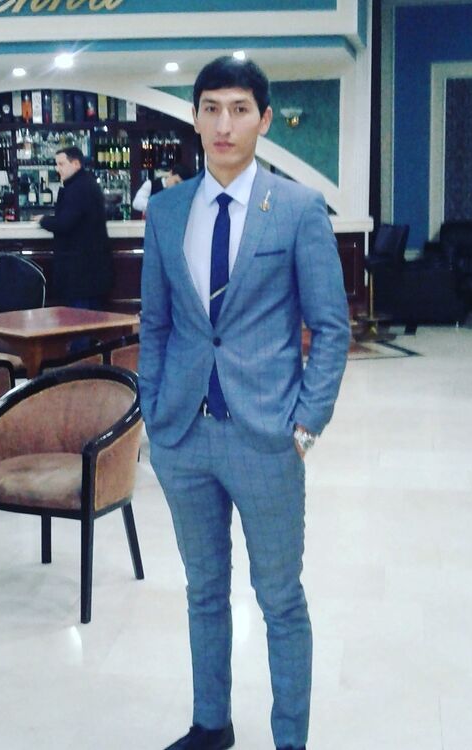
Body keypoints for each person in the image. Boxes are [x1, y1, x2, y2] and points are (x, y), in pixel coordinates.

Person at [138, 56, 350, 750]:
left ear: (264, 119)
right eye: (210, 108)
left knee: (280, 598)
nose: (223, 124)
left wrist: (306, 426)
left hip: (267, 437)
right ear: (195, 117)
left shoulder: (297, 208)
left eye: (238, 109)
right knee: (204, 590)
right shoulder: (167, 211)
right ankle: (212, 724)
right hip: (184, 435)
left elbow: (332, 326)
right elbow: (155, 323)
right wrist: (154, 414)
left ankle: (290, 738)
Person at [35, 146, 113, 309]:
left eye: (61, 164)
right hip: (89, 269)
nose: (58, 169)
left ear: (76, 164)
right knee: (88, 317)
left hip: (82, 271)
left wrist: (43, 220)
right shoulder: (84, 184)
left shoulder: (79, 188)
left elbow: (65, 223)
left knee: (81, 317)